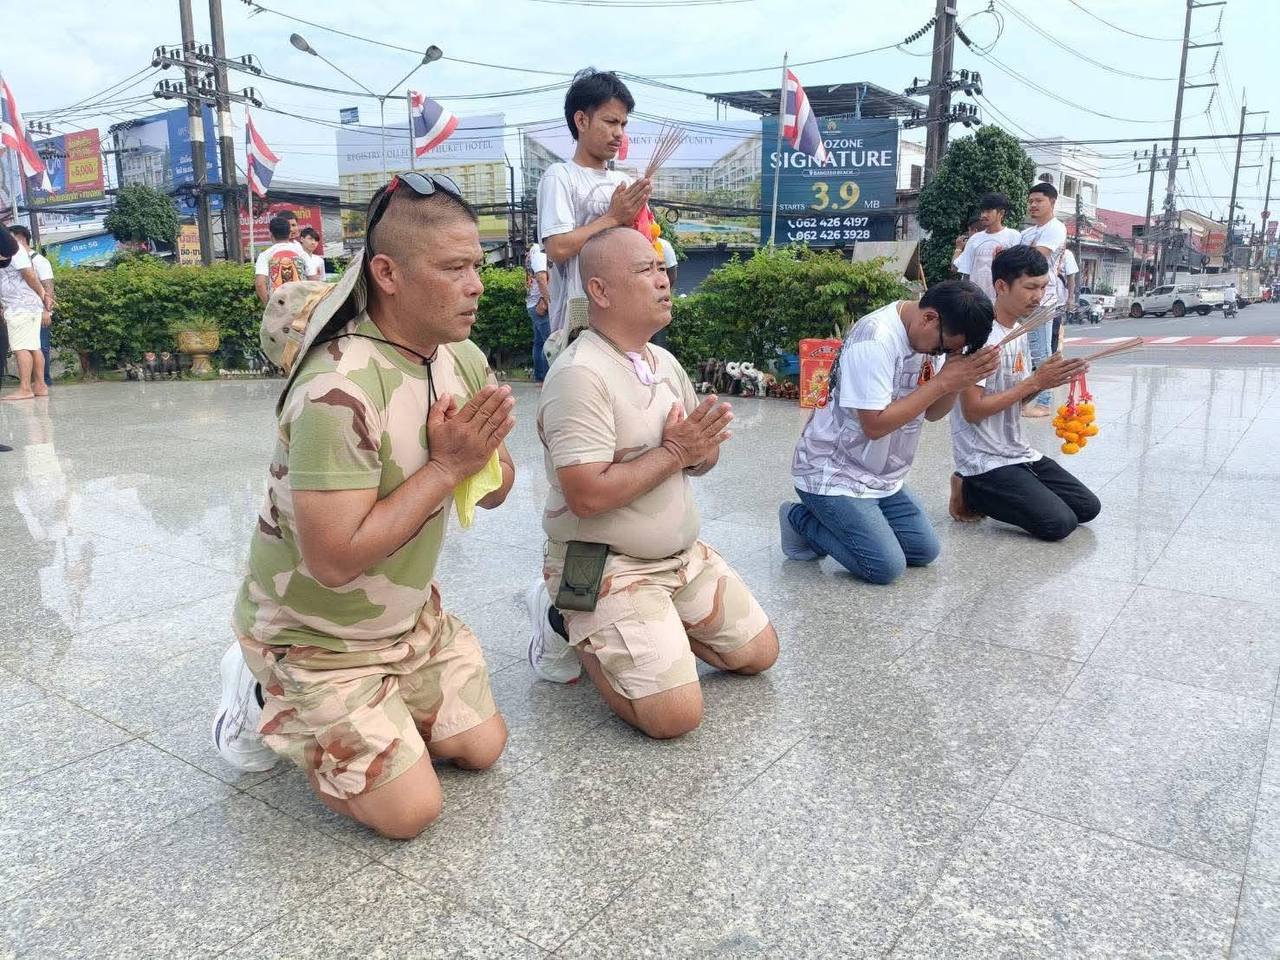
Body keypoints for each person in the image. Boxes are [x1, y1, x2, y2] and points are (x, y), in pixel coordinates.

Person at [213, 173, 515, 839]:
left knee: (481, 748)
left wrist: (478, 456)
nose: (476, 285)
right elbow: (333, 559)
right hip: (318, 637)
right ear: (387, 272)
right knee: (411, 813)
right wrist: (446, 467)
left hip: (405, 623)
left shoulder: (460, 357)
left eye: (478, 266)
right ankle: (265, 685)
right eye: (454, 268)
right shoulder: (337, 389)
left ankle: (381, 705)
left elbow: (496, 489)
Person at [528, 226, 777, 738]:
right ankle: (564, 617)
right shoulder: (581, 374)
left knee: (759, 654)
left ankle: (648, 631)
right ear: (600, 291)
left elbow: (691, 462)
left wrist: (697, 454)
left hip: (680, 557)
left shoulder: (661, 361)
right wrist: (675, 452)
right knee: (673, 717)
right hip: (602, 561)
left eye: (662, 268)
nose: (663, 280)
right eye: (646, 270)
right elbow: (586, 494)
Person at [778, 280, 999, 585]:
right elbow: (875, 425)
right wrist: (944, 382)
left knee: (924, 550)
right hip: (833, 473)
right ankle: (798, 519)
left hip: (883, 476)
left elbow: (933, 413)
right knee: (884, 566)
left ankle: (855, 518)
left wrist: (959, 379)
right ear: (929, 317)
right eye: (944, 348)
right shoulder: (875, 340)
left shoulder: (931, 337)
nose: (944, 354)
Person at [949, 246, 1100, 540]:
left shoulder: (1018, 332)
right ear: (1001, 286)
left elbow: (1015, 401)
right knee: (1058, 524)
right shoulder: (978, 337)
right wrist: (1034, 382)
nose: (1038, 296)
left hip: (1017, 450)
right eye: (1030, 287)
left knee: (1087, 507)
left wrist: (1044, 382)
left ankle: (1011, 487)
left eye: (1043, 287)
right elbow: (973, 411)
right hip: (983, 458)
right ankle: (968, 488)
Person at [537, 69, 652, 336]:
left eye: (623, 124)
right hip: (580, 321)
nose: (619, 133)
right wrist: (612, 217)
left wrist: (643, 222)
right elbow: (557, 248)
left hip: (625, 315)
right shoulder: (561, 176)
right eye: (610, 121)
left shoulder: (622, 180)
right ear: (581, 120)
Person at [1019, 182, 1069, 418]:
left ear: (1052, 202)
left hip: (1043, 299)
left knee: (1040, 352)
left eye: (1039, 201)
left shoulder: (1056, 228)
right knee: (1025, 351)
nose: (1033, 205)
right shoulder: (1027, 233)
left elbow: (1035, 258)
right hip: (1021, 298)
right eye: (1030, 201)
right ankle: (1026, 400)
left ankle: (1043, 402)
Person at [0, 225, 54, 401]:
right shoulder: (16, 250)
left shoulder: (13, 251)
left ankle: (25, 388)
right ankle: (40, 385)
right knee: (33, 347)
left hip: (19, 306)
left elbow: (29, 275)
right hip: (29, 306)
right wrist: (42, 296)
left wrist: (42, 294)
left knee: (20, 347)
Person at [953, 193, 1021, 302]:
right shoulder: (974, 239)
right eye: (982, 211)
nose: (983, 215)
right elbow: (966, 272)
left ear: (1001, 213)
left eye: (988, 211)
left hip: (1002, 301)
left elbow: (1018, 271)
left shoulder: (1014, 236)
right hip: (976, 301)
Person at [253, 215, 308, 305]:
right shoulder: (301, 252)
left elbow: (260, 284)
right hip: (300, 304)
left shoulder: (265, 255)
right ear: (289, 233)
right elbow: (313, 278)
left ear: (271, 235)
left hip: (278, 306)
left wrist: (269, 306)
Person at [526, 242, 551, 381]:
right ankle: (546, 377)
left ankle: (539, 376)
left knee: (539, 342)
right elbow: (541, 279)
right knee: (550, 342)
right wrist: (548, 301)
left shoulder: (531, 251)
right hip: (539, 304)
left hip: (531, 303)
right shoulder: (539, 251)